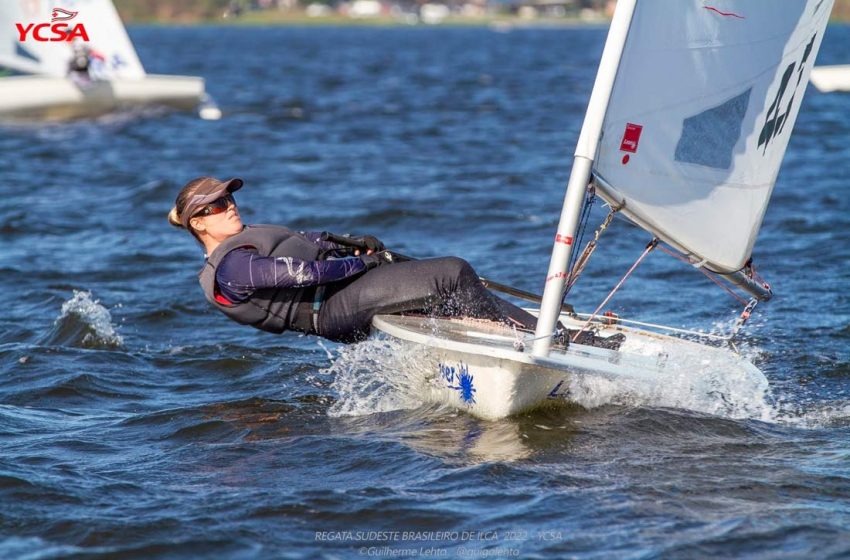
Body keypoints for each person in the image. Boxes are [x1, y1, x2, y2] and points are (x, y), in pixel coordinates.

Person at [167, 177, 543, 344]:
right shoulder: (231, 267)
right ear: (198, 223)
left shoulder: (247, 237)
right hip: (329, 309)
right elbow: (302, 273)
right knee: (452, 273)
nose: (229, 205)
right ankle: (537, 339)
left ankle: (523, 327)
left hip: (341, 293)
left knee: (443, 285)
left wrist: (351, 246)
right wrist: (366, 264)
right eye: (217, 205)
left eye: (229, 198)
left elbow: (307, 243)